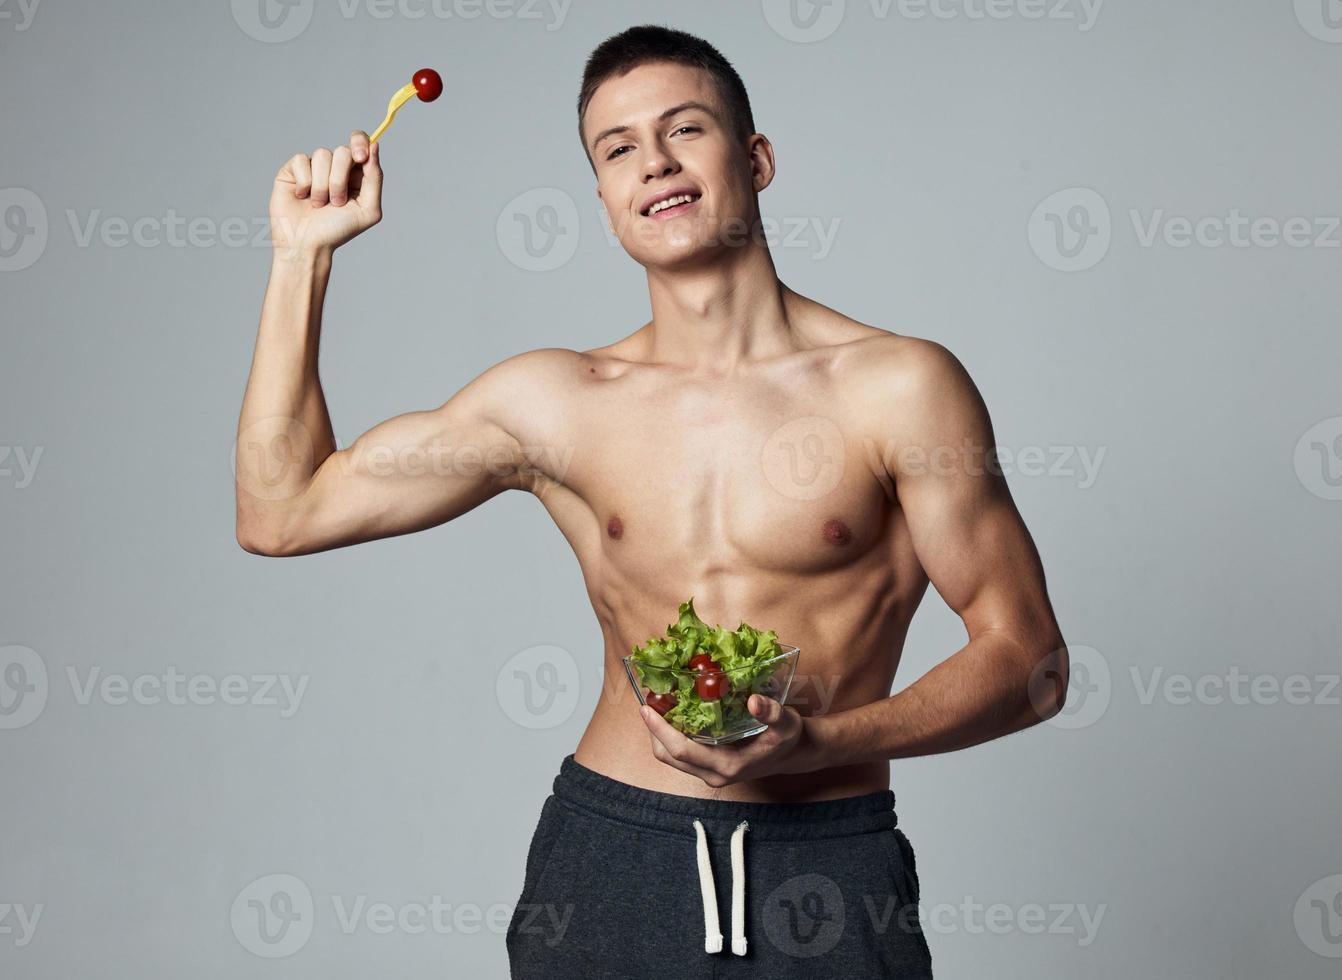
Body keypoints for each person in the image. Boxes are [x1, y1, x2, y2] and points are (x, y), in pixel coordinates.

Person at [234, 23, 1067, 979]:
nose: (654, 163)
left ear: (754, 158)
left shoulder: (899, 388)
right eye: (618, 148)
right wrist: (301, 260)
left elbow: (1030, 661)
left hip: (827, 863)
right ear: (602, 196)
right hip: (614, 856)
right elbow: (280, 511)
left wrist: (820, 744)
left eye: (685, 130)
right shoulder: (557, 400)